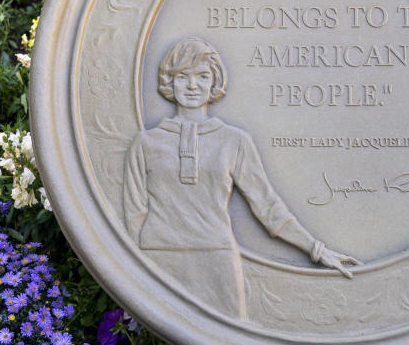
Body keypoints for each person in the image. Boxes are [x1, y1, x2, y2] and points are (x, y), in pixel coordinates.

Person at [123, 37, 359, 318]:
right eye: (182, 77)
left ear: (214, 82)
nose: (192, 86)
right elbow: (134, 213)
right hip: (157, 257)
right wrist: (131, 275)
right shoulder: (146, 142)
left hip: (215, 259)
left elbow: (268, 207)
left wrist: (317, 250)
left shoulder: (234, 141)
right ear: (168, 82)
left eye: (202, 76)